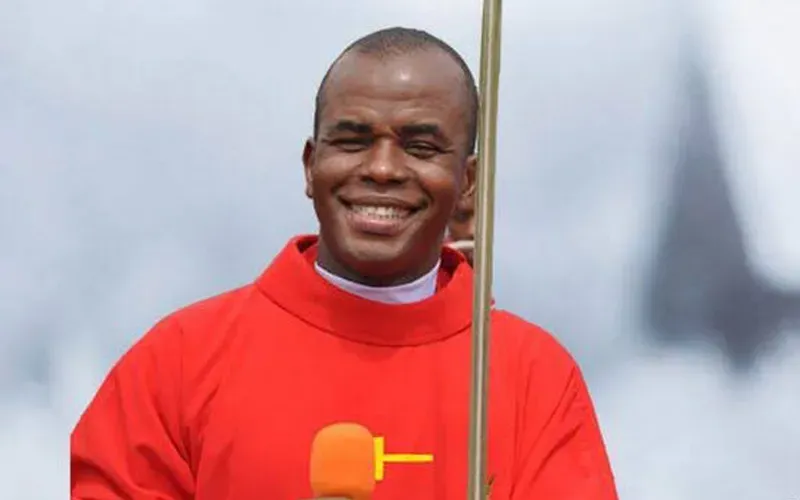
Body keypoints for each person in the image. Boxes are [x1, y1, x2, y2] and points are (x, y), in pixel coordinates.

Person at [70, 27, 618, 499]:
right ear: (311, 166)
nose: (382, 169)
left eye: (420, 147)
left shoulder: (531, 377)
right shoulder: (179, 362)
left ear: (468, 183)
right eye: (353, 141)